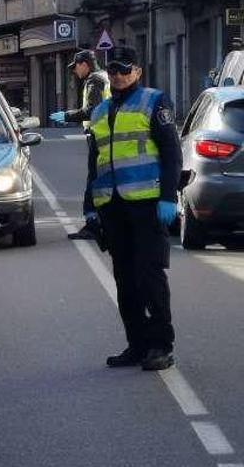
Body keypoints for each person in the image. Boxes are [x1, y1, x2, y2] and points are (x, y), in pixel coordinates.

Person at [86, 46, 182, 371]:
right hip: (112, 207)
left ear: (137, 71)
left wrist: (169, 197)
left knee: (149, 276)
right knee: (125, 280)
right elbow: (94, 161)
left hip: (147, 204)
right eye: (113, 69)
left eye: (125, 69)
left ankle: (160, 346)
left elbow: (171, 153)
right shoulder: (99, 112)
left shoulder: (154, 101)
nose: (117, 75)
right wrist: (89, 208)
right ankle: (137, 345)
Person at [49, 50, 111, 241]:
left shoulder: (94, 81)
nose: (75, 72)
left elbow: (92, 110)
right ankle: (104, 223)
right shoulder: (104, 77)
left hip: (99, 136)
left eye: (76, 67)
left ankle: (93, 225)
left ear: (84, 64)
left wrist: (68, 116)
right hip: (106, 135)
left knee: (93, 180)